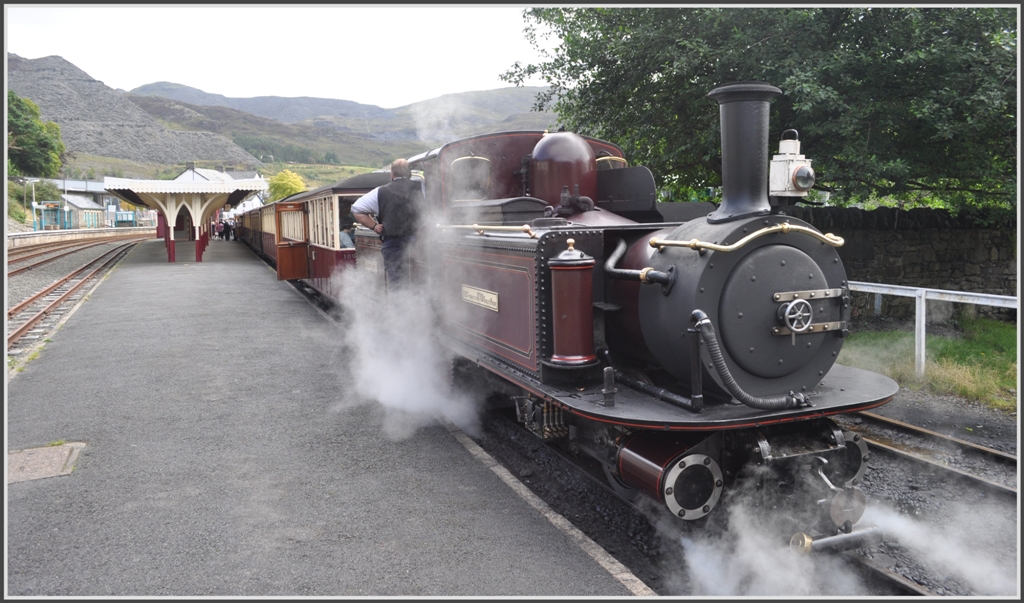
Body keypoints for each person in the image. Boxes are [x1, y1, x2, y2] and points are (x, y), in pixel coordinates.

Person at [353, 159, 423, 287]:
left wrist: (374, 225)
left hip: (393, 242)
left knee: (396, 281)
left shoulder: (380, 191)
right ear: (409, 173)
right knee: (420, 279)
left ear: (392, 174)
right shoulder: (422, 189)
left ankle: (399, 305)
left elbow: (356, 209)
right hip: (418, 242)